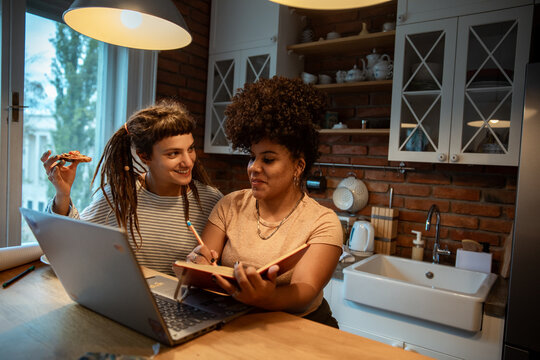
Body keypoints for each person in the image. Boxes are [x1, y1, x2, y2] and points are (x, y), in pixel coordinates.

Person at [188, 76, 343, 327]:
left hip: (301, 327)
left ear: (298, 166)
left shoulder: (323, 222)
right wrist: (199, 264)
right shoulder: (230, 205)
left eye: (268, 160)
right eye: (252, 157)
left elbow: (305, 289)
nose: (253, 168)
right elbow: (205, 262)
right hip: (237, 322)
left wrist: (267, 297)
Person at [41, 100, 223, 275]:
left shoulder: (213, 202)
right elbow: (70, 240)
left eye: (190, 149)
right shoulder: (120, 196)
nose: (188, 161)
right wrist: (62, 194)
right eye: (174, 153)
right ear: (144, 157)